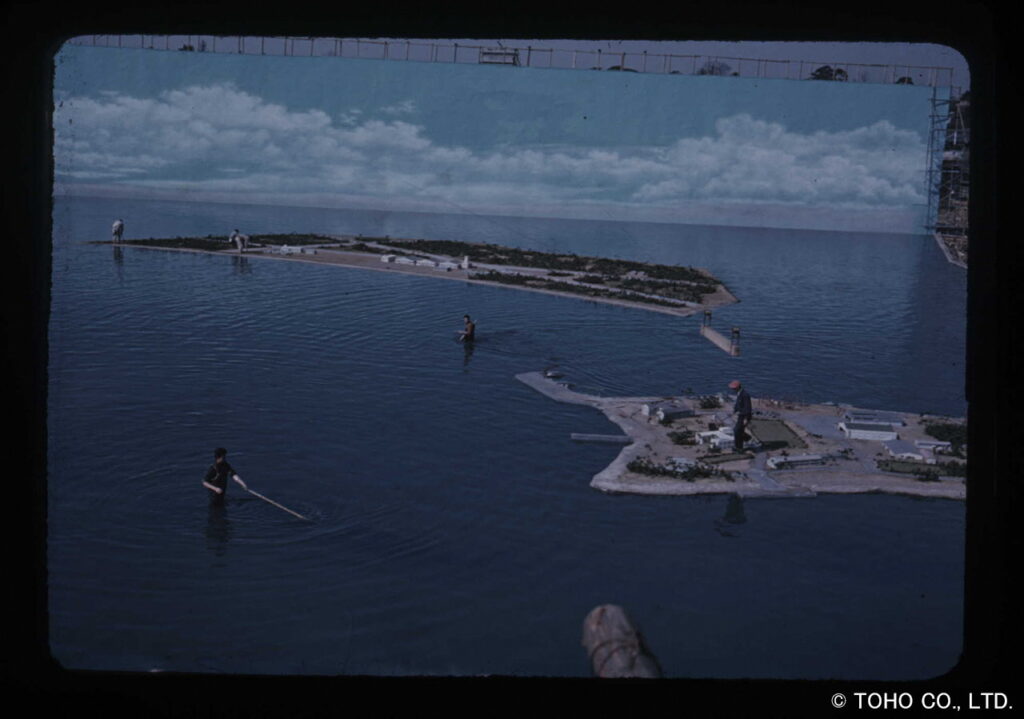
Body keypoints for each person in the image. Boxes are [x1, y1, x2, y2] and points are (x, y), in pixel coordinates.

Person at [729, 379, 753, 452]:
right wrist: (734, 410)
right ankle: (742, 443)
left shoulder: (745, 395)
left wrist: (746, 419)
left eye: (733, 388)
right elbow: (738, 404)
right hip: (741, 415)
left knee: (737, 431)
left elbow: (748, 408)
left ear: (737, 387)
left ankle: (739, 447)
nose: (732, 389)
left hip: (744, 416)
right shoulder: (739, 393)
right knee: (739, 431)